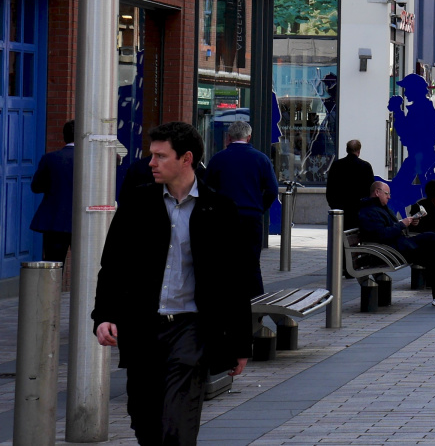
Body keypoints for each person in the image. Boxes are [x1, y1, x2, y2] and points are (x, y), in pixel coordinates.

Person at [92, 122, 252, 446]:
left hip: (191, 327)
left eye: (160, 156)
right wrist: (104, 315)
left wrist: (240, 344)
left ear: (186, 158)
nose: (151, 163)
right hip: (143, 327)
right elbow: (112, 266)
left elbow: (235, 281)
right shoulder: (137, 204)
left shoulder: (219, 209)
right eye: (152, 155)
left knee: (178, 426)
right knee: (145, 421)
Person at [358, 181, 435, 306]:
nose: (389, 196)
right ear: (377, 192)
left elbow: (389, 228)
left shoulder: (379, 208)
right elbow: (382, 234)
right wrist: (402, 224)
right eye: (386, 193)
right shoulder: (369, 211)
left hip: (397, 245)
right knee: (433, 254)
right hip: (391, 251)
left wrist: (409, 223)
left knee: (432, 237)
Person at [204, 120, 279, 298]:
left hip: (223, 219)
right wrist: (260, 207)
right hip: (251, 217)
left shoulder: (218, 159)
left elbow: (206, 189)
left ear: (228, 137)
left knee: (224, 261)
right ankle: (255, 303)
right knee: (252, 263)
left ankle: (226, 299)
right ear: (249, 137)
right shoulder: (261, 159)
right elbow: (272, 190)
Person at [30, 120, 76, 263]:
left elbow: (36, 187)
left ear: (64, 136)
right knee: (86, 266)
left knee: (53, 266)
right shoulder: (92, 159)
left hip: (55, 220)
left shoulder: (50, 158)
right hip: (84, 220)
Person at [325, 139, 376, 230]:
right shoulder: (365, 166)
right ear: (359, 151)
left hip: (340, 211)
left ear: (347, 150)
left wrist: (334, 205)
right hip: (359, 211)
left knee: (339, 239)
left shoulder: (336, 165)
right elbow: (371, 190)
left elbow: (330, 189)